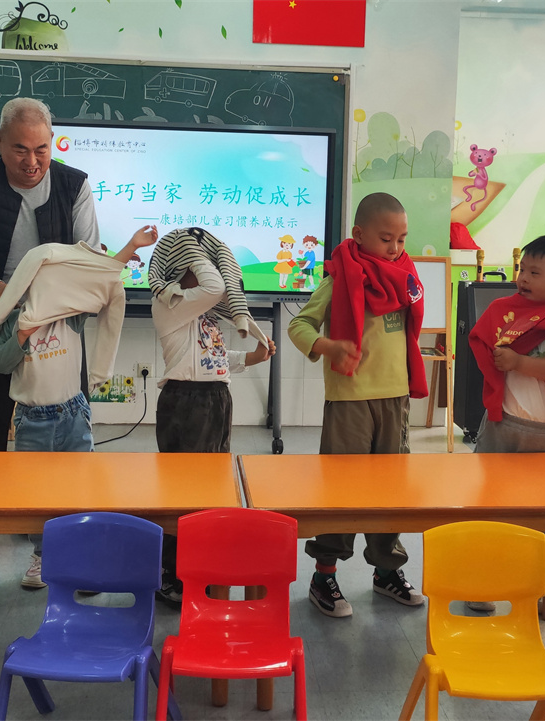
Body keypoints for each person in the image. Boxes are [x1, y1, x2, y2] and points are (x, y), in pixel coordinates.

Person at [0, 96, 100, 567]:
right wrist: (7, 296)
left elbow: (89, 257)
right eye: (19, 149)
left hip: (57, 327)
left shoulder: (75, 185)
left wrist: (47, 305)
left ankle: (56, 527)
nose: (32, 161)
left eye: (42, 149)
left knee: (62, 429)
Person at [0, 228, 157, 588]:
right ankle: (43, 554)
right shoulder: (14, 321)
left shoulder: (71, 315)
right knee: (38, 494)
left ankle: (83, 556)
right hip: (32, 419)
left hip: (73, 414)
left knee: (81, 488)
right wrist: (21, 335)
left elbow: (100, 281)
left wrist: (129, 247)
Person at [287, 192, 429, 618]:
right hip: (350, 401)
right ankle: (324, 574)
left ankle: (387, 570)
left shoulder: (404, 277)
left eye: (402, 239)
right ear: (358, 234)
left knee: (390, 492)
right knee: (341, 491)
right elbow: (299, 324)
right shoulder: (340, 277)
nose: (395, 248)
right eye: (386, 239)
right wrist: (328, 346)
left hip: (394, 400)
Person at [466, 234, 545, 612]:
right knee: (488, 508)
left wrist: (519, 362)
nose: (522, 278)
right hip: (502, 427)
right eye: (522, 269)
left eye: (535, 272)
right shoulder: (503, 310)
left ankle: (537, 589)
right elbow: (481, 342)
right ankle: (484, 585)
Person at [149, 227, 275, 606]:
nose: (206, 271)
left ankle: (198, 566)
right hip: (185, 403)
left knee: (211, 491)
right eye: (196, 264)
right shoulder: (170, 304)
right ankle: (171, 572)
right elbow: (217, 285)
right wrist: (202, 251)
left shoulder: (204, 314)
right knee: (183, 494)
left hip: (216, 399)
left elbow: (216, 357)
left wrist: (253, 357)